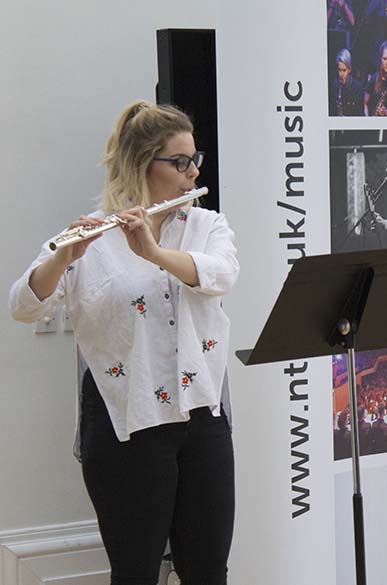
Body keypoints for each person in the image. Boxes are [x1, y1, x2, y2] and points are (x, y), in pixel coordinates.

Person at [9, 101, 238, 585]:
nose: (192, 171)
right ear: (141, 164)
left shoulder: (206, 225)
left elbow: (220, 275)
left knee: (208, 572)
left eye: (195, 159)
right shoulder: (93, 236)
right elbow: (24, 306)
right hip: (127, 425)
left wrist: (154, 253)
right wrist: (62, 258)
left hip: (202, 418)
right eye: (180, 162)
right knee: (135, 573)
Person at [330, 49, 366, 116]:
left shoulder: (357, 88)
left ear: (349, 69)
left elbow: (360, 114)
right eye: (339, 70)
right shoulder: (335, 84)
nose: (341, 74)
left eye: (344, 70)